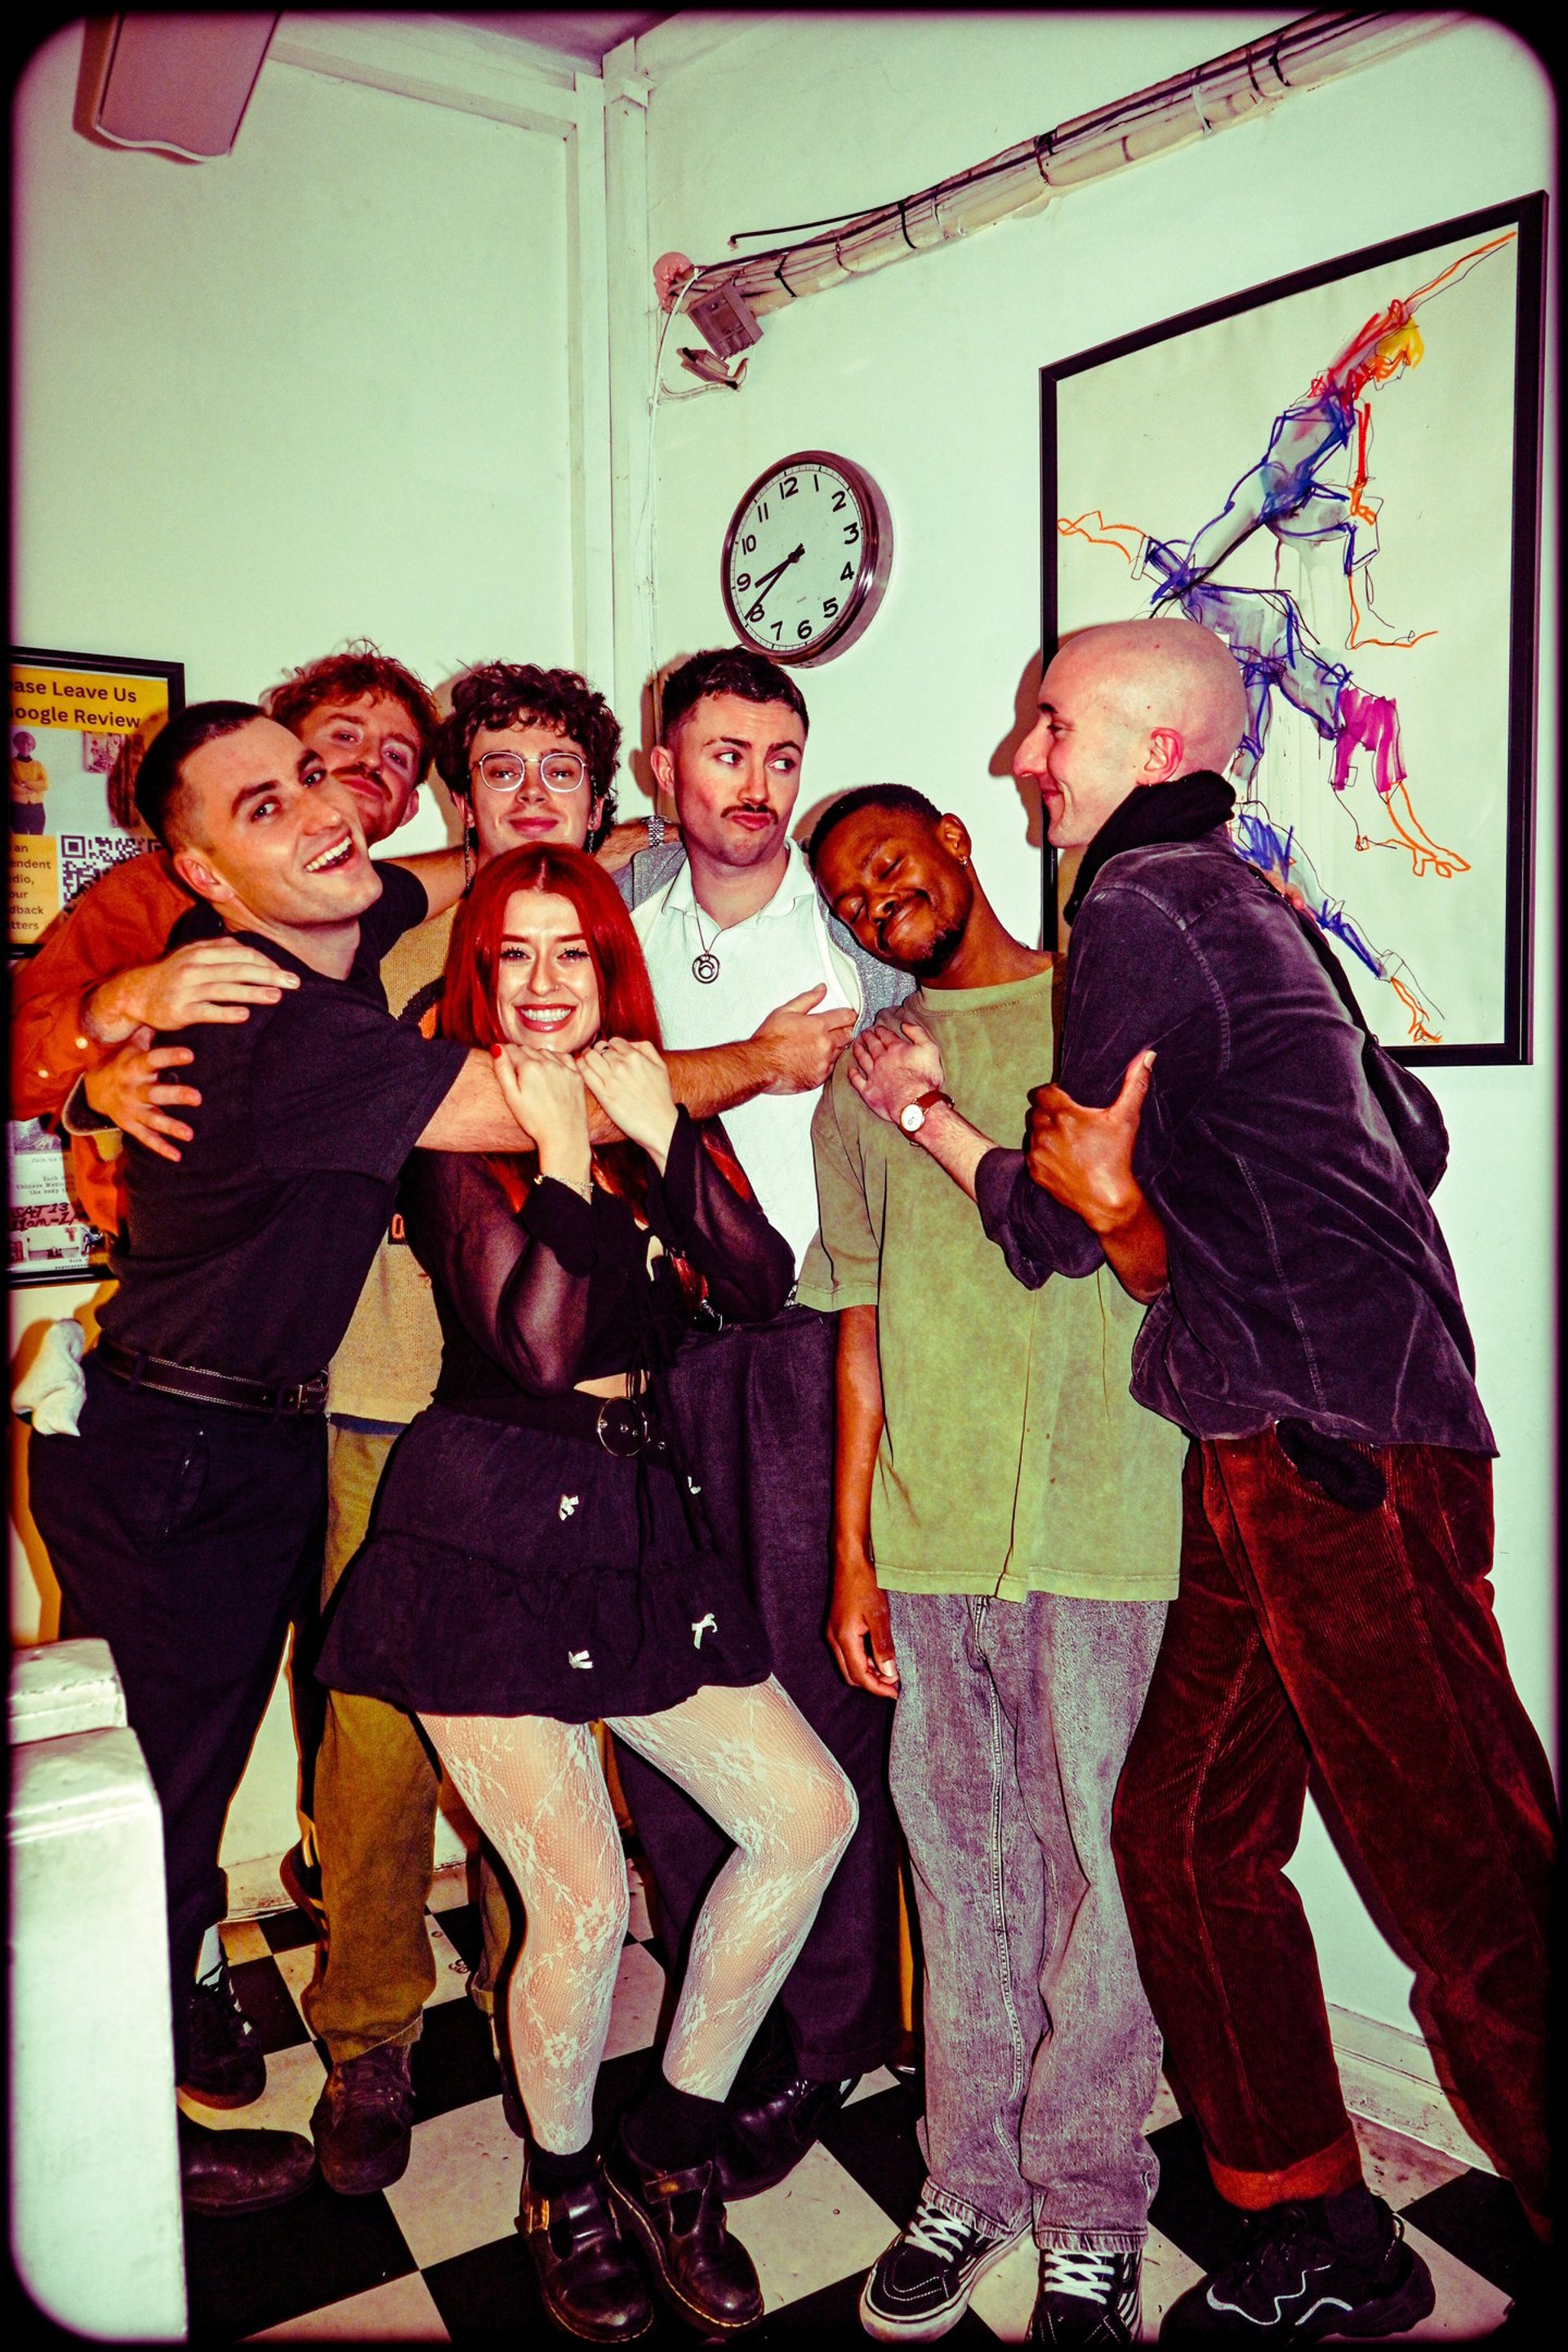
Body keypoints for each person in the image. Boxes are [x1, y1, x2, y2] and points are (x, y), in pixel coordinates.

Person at [977, 616, 1554, 2341]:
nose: (1022, 757)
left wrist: (958, 1137)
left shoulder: (1144, 903)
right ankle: (1322, 2234)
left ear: (1155, 751)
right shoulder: (1250, 904)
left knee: (1470, 1887)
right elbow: (1412, 1139)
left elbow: (1054, 1224)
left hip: (1333, 1453)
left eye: (1052, 724)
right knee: (1181, 1838)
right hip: (1276, 1442)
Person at [24, 699, 572, 2220]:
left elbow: (434, 872)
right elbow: (501, 1108)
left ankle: (158, 2031)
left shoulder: (349, 905)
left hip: (249, 1431)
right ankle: (110, 2144)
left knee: (194, 1785)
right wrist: (99, 1031)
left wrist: (621, 834)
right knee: (156, 1805)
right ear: (199, 868)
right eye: (277, 793)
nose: (335, 800)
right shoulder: (254, 992)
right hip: (176, 1448)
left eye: (343, 773)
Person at [314, 844, 857, 2341]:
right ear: (478, 975)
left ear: (611, 970)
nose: (544, 984)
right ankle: (560, 2188)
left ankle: (666, 2148)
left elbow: (755, 1284)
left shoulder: (640, 1102)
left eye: (573, 953)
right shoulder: (457, 1123)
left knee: (807, 1815)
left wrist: (661, 1136)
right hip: (484, 1528)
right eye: (515, 955)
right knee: (579, 1899)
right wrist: (561, 1155)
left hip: (635, 1520)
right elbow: (538, 1348)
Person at [801, 785, 1181, 2346]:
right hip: (934, 1527)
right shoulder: (859, 1084)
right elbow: (860, 1328)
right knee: (959, 1870)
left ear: (957, 840)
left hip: (1111, 1521)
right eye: (850, 898)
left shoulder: (1112, 1015)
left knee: (1110, 1874)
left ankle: (1089, 2209)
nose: (876, 903)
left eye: (890, 864)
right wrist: (853, 1553)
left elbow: (1171, 1256)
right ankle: (971, 2182)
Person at [613, 647, 910, 2198]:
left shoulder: (858, 933)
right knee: (668, 1690)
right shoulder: (614, 918)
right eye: (723, 753)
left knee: (815, 1704)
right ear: (664, 769)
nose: (757, 784)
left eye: (781, 755)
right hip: (641, 1360)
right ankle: (709, 2015)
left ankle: (827, 2038)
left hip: (805, 1353)